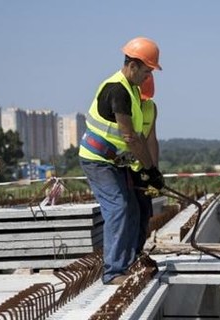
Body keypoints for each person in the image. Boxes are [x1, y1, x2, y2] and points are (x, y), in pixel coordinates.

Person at [78, 37, 165, 285]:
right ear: (133, 65)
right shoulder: (118, 90)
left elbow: (144, 138)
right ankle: (114, 271)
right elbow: (131, 138)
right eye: (147, 71)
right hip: (97, 160)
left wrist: (151, 171)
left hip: (113, 161)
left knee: (134, 208)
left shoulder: (131, 90)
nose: (148, 77)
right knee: (119, 207)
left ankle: (128, 262)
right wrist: (150, 171)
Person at [131, 74, 159, 255]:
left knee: (144, 212)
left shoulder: (151, 107)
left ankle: (138, 252)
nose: (142, 103)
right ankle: (127, 255)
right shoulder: (126, 105)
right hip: (123, 167)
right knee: (127, 211)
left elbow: (151, 140)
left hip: (143, 167)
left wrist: (154, 173)